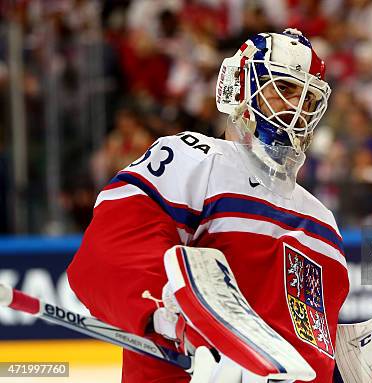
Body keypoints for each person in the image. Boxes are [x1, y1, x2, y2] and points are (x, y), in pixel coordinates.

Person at [67, 29, 348, 382]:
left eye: (308, 100)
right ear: (240, 87)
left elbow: (311, 346)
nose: (297, 108)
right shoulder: (191, 160)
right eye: (285, 89)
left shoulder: (323, 224)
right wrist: (167, 313)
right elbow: (110, 251)